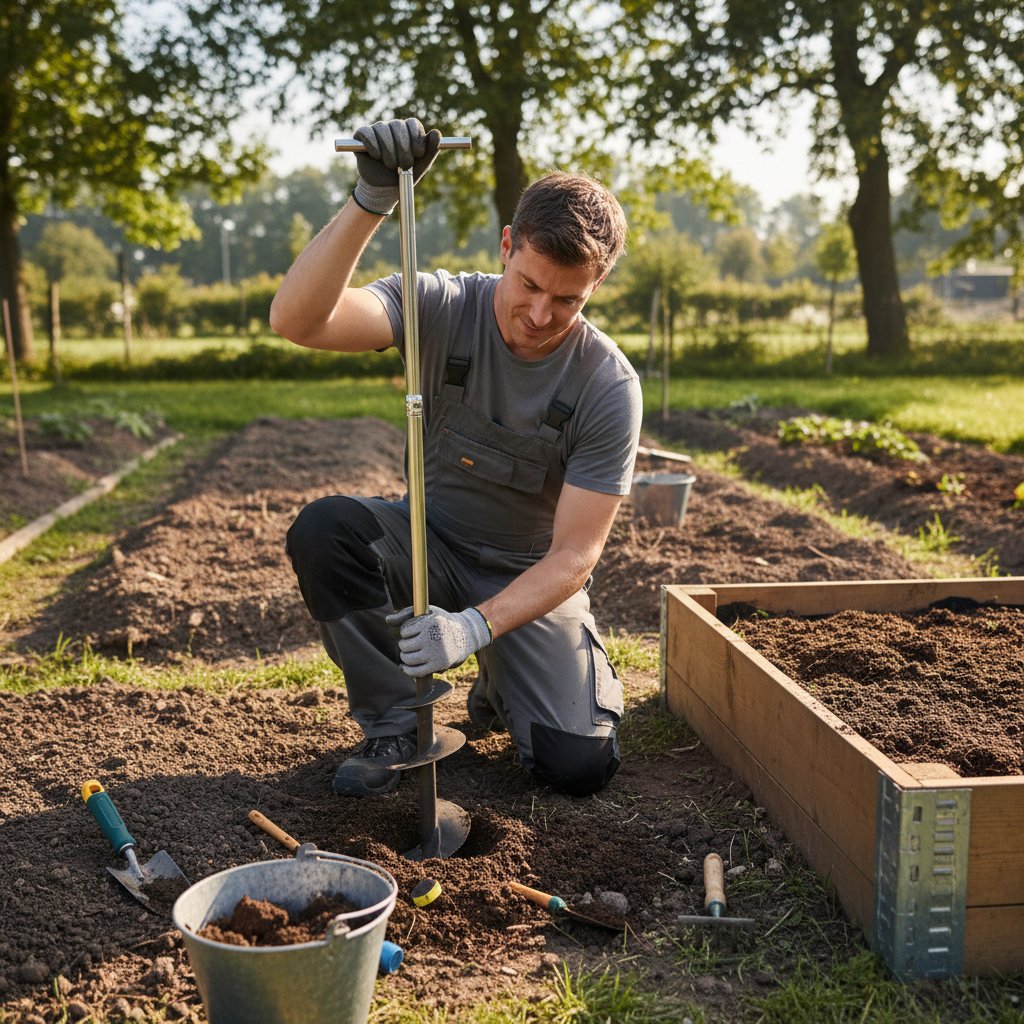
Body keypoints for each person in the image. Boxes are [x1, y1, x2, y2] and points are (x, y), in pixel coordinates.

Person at [271, 117, 642, 798]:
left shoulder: (607, 385)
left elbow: (575, 556)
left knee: (577, 767)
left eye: (566, 300)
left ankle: (501, 680)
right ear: (508, 245)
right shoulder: (439, 305)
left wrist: (476, 626)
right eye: (528, 284)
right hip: (427, 547)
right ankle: (393, 725)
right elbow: (298, 321)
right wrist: (371, 200)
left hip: (523, 580)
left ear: (597, 285)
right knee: (327, 530)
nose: (538, 314)